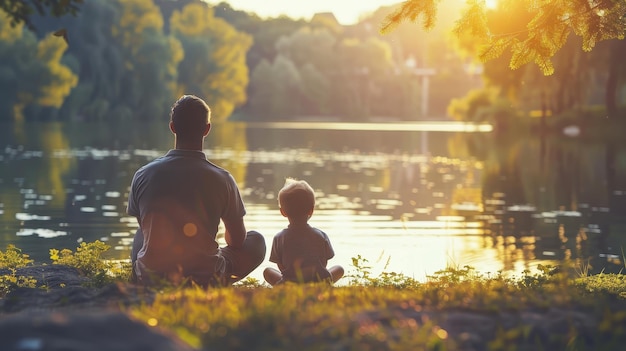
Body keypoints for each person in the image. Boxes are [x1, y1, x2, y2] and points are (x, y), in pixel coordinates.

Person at [127, 95, 266, 287]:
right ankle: (212, 279)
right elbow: (237, 241)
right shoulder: (222, 179)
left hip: (152, 277)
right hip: (206, 278)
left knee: (140, 234)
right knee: (256, 241)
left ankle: (145, 278)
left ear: (172, 127)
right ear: (207, 129)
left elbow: (144, 226)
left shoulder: (143, 174)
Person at [263, 178, 344, 286]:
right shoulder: (321, 236)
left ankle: (285, 286)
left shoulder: (279, 238)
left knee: (267, 272)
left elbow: (281, 266)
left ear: (283, 212)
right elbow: (324, 263)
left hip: (291, 283)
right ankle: (323, 284)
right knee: (339, 269)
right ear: (311, 210)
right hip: (318, 282)